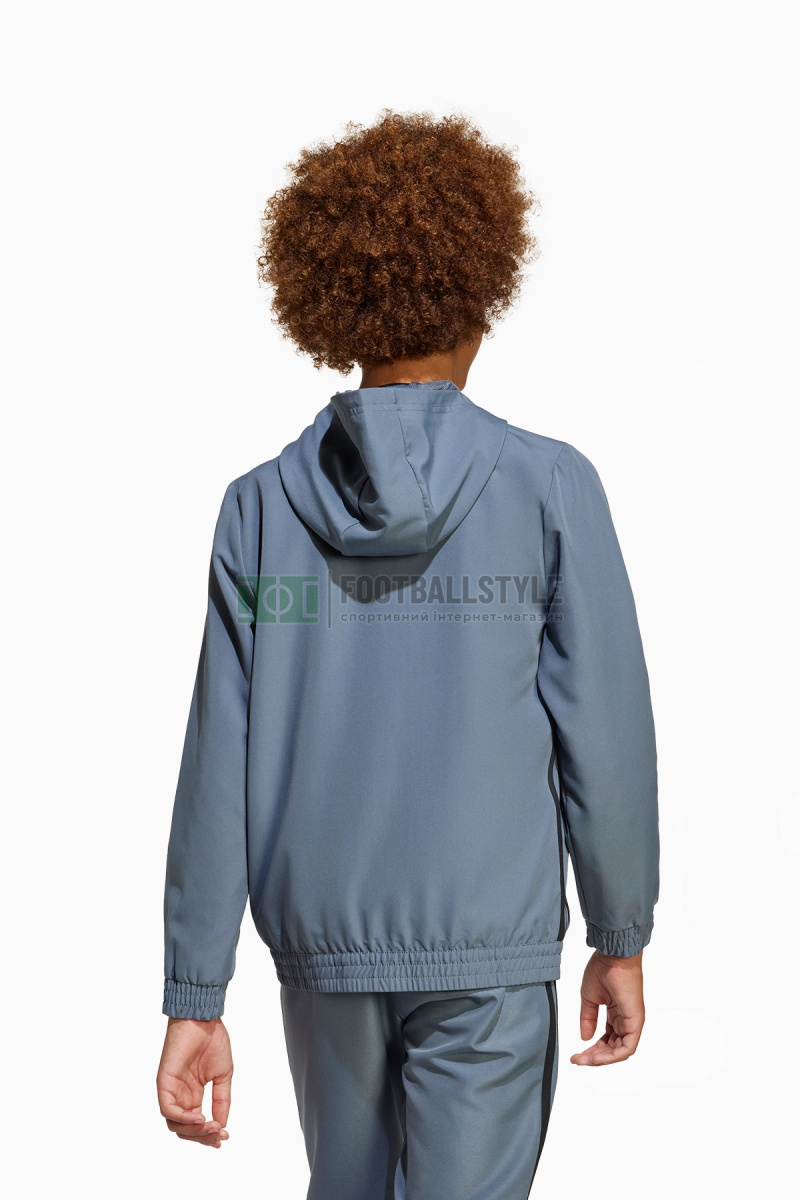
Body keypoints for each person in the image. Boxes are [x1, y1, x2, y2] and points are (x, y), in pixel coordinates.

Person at [156, 108, 660, 1198]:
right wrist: (618, 933)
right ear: (479, 293)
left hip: (323, 957)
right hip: (488, 953)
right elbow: (605, 736)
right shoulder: (549, 488)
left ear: (336, 308)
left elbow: (216, 766)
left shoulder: (259, 508)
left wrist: (196, 994)